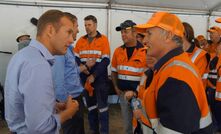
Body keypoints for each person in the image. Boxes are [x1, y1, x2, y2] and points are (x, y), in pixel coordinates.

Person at [134, 11, 212, 133]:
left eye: (149, 34)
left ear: (168, 36)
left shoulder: (175, 75)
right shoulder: (168, 68)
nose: (144, 41)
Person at [4, 10, 79, 134]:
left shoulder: (22, 55)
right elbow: (40, 128)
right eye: (68, 32)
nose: (72, 40)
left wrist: (51, 105)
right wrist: (68, 113)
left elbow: (22, 101)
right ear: (50, 30)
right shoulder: (38, 64)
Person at [52, 12, 90, 134]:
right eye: (77, 26)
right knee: (72, 130)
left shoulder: (69, 49)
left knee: (78, 129)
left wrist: (83, 67)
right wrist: (66, 105)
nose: (78, 30)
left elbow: (69, 72)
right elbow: (58, 80)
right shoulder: (61, 51)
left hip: (75, 98)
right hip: (69, 100)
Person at [74, 15, 110, 134]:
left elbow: (105, 61)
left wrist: (93, 75)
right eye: (85, 25)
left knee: (103, 109)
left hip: (99, 81)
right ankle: (94, 130)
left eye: (89, 25)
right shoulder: (80, 40)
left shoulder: (103, 39)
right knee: (91, 108)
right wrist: (83, 69)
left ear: (95, 25)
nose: (86, 27)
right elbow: (75, 58)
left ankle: (104, 132)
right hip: (85, 80)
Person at [111, 20, 147, 134]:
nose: (122, 35)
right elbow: (113, 71)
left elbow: (148, 77)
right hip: (123, 95)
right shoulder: (118, 51)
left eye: (125, 32)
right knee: (127, 125)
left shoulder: (145, 51)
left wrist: (136, 92)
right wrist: (116, 87)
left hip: (139, 96)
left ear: (135, 32)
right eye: (121, 32)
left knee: (141, 125)